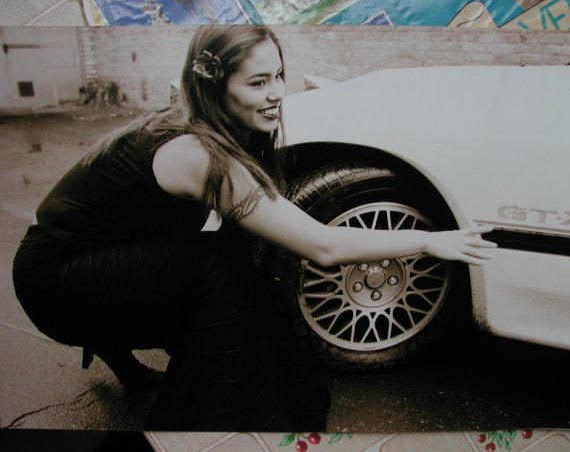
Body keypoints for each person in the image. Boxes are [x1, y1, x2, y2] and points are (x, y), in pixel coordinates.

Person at [12, 25, 496, 432]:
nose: (277, 93)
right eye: (258, 82)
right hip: (55, 283)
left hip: (75, 255)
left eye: (279, 75)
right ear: (215, 87)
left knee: (223, 251)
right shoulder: (198, 155)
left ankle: (130, 351)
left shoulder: (192, 118)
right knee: (219, 267)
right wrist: (428, 239)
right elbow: (324, 245)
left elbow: (120, 223)